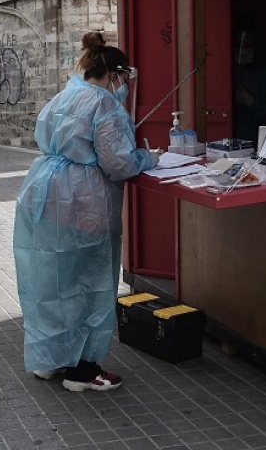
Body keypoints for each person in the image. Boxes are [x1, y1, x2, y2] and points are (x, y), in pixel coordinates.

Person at [13, 32, 158, 392]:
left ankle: (50, 360)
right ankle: (83, 371)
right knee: (89, 284)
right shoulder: (106, 105)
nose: (126, 86)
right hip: (84, 200)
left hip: (45, 194)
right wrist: (150, 157)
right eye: (125, 78)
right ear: (116, 74)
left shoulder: (67, 94)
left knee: (52, 282)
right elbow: (118, 163)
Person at [232, 30, 266, 143]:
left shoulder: (263, 75)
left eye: (247, 47)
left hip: (255, 138)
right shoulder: (227, 70)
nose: (242, 52)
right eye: (239, 46)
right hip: (228, 137)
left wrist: (248, 101)